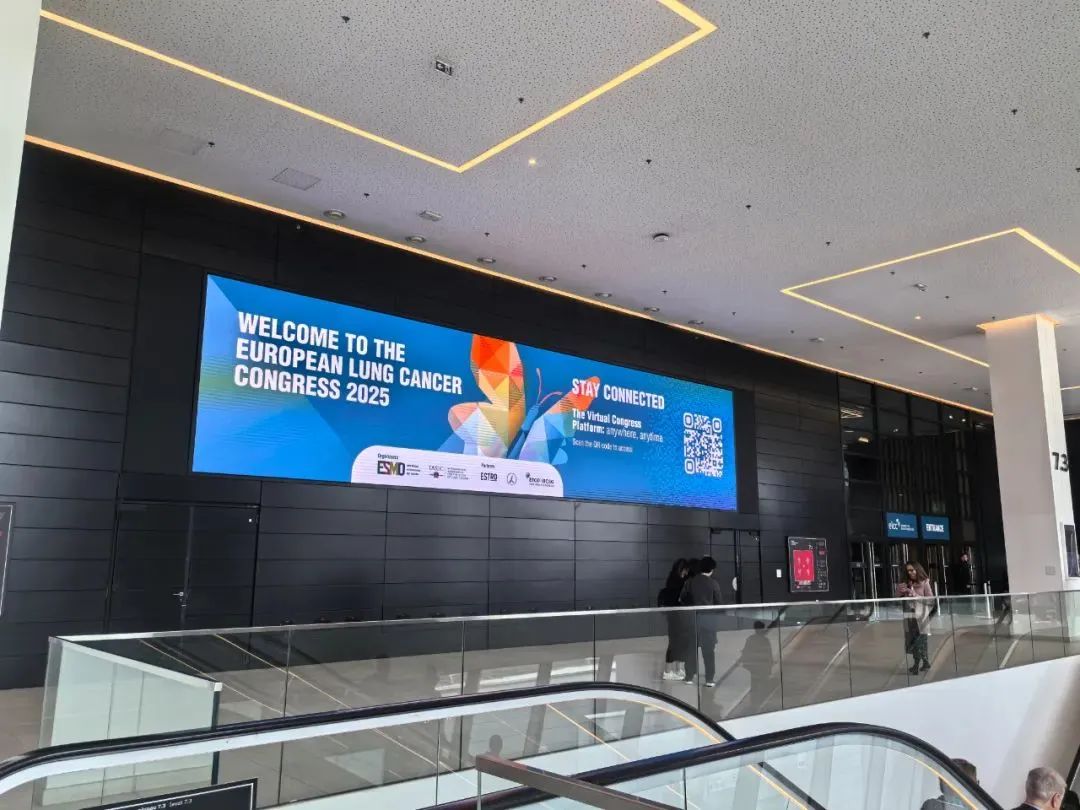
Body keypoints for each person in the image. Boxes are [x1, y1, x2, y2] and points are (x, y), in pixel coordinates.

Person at [680, 556, 724, 687]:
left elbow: (682, 599)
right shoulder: (713, 583)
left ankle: (689, 677)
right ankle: (709, 679)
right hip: (708, 622)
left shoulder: (689, 582)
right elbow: (719, 603)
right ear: (712, 569)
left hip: (692, 620)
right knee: (708, 652)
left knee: (691, 649)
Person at [897, 561, 934, 675]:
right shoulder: (906, 582)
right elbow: (897, 598)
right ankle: (921, 663)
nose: (910, 572)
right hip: (909, 616)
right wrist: (899, 591)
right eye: (908, 570)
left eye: (912, 570)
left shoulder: (925, 582)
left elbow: (930, 600)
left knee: (920, 641)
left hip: (921, 616)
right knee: (911, 641)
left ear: (917, 569)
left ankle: (920, 664)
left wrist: (915, 595)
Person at [658, 558, 690, 681]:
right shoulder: (678, 583)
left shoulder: (673, 580)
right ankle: (668, 671)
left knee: (678, 643)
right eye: (685, 570)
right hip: (677, 617)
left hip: (675, 617)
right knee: (674, 643)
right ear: (682, 569)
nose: (687, 573)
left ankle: (677, 669)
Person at [738, 620, 775, 712]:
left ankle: (754, 704)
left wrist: (742, 660)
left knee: (754, 686)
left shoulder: (750, 639)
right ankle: (760, 704)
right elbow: (769, 654)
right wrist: (770, 666)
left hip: (754, 667)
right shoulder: (765, 640)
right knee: (763, 685)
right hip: (762, 667)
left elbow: (746, 652)